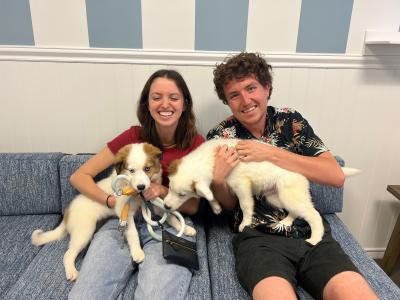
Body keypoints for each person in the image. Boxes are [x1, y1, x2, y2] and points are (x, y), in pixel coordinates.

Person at [207, 52, 378, 300]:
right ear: (228, 102)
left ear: (267, 88)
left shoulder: (291, 121)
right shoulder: (222, 137)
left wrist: (270, 154)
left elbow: (335, 176)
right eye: (234, 95)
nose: (245, 100)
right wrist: (219, 181)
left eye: (251, 88)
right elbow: (229, 206)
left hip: (310, 233)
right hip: (258, 240)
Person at [68, 69, 204, 300]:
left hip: (169, 223)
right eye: (156, 97)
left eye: (174, 97)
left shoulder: (196, 144)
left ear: (185, 104)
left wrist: (163, 190)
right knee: (86, 294)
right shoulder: (132, 138)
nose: (165, 104)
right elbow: (78, 177)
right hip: (123, 220)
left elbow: (193, 208)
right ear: (147, 104)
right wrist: (112, 201)